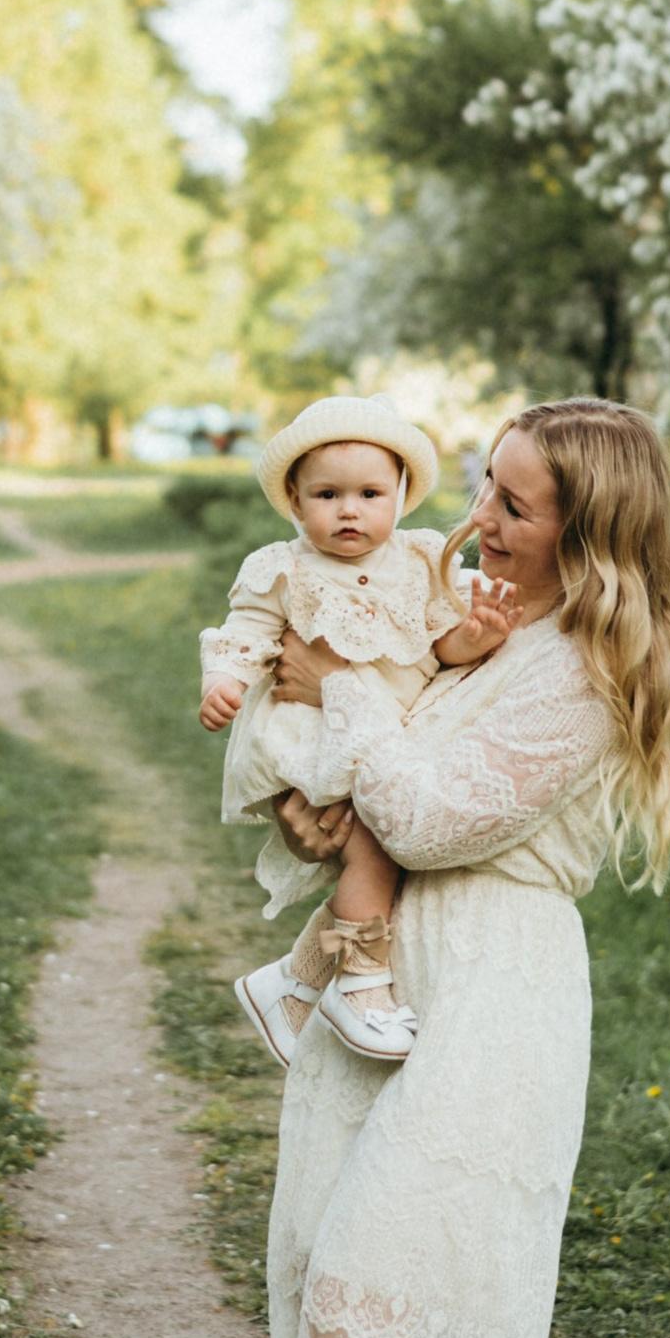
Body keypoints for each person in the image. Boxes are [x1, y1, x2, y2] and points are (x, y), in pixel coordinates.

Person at [260, 398, 670, 1338]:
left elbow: (435, 813)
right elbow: (380, 778)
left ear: (594, 531)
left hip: (496, 989)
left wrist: (335, 690)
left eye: (516, 507)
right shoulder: (494, 622)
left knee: (395, 1279)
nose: (478, 525)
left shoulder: (587, 662)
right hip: (404, 974)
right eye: (487, 493)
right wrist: (323, 762)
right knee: (347, 1257)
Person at [197, 395, 513, 1065]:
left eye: (370, 493)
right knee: (371, 839)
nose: (349, 509)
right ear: (294, 499)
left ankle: (296, 984)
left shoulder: (424, 561)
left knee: (378, 842)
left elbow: (436, 646)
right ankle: (363, 980)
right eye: (327, 494)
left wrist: (473, 636)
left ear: (401, 493)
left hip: (378, 727)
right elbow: (245, 634)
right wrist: (222, 681)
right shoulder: (283, 568)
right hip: (309, 729)